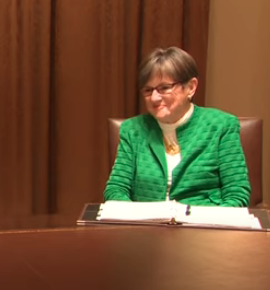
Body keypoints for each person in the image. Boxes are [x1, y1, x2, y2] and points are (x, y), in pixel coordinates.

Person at [104, 47, 250, 207]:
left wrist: (206, 224)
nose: (154, 98)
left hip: (203, 227)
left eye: (164, 88)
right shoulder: (132, 130)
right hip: (146, 228)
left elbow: (236, 194)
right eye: (148, 90)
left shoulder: (221, 125)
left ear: (191, 87)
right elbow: (116, 189)